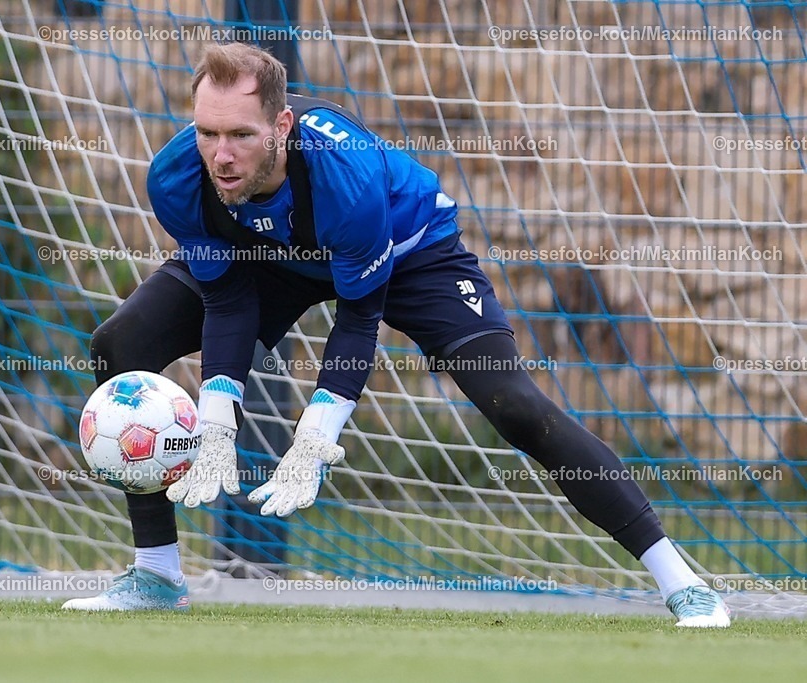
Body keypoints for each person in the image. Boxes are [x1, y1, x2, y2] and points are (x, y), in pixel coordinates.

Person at [63, 42, 730, 627]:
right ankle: (156, 573)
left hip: (408, 252)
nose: (222, 154)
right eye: (208, 133)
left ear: (283, 125)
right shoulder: (180, 178)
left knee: (516, 404)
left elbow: (359, 317)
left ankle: (682, 580)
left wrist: (317, 434)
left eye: (240, 134)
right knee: (120, 344)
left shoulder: (345, 180)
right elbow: (230, 301)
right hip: (268, 256)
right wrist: (215, 418)